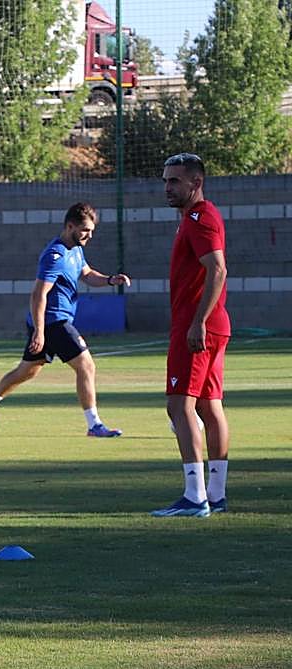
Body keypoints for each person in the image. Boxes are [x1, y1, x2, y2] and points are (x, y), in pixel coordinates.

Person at [0, 202, 129, 438]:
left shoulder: (76, 249)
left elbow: (87, 274)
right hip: (53, 322)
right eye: (85, 230)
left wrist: (111, 280)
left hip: (52, 323)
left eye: (92, 230)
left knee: (27, 371)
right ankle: (94, 424)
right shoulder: (54, 256)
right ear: (70, 226)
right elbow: (38, 294)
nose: (89, 235)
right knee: (86, 366)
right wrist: (40, 331)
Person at [151, 152, 230, 517]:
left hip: (197, 325)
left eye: (175, 181)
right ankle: (215, 493)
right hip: (209, 323)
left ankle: (195, 496)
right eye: (166, 180)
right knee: (209, 407)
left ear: (196, 183)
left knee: (179, 404)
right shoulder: (194, 218)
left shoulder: (199, 218)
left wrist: (197, 320)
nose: (167, 187)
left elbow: (217, 269)